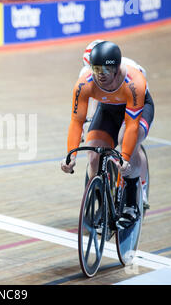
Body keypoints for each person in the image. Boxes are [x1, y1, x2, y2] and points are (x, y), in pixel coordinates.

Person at [61, 41, 154, 226]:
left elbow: (132, 125)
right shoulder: (85, 81)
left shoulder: (134, 81)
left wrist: (126, 157)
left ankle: (130, 202)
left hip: (138, 108)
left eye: (105, 69)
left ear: (117, 69)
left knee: (125, 140)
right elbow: (77, 121)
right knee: (94, 154)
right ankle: (102, 204)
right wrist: (71, 155)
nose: (100, 74)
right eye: (96, 69)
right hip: (109, 108)